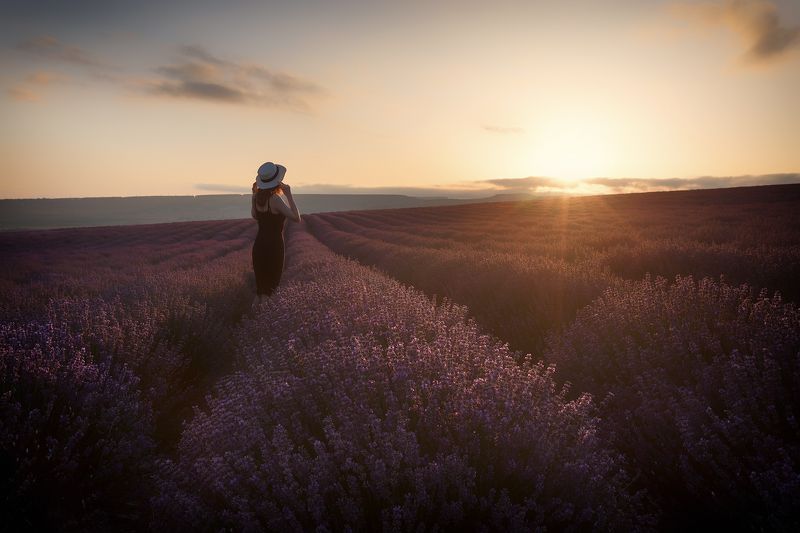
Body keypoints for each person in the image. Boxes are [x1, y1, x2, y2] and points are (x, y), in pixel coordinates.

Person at [251, 161, 301, 305]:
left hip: (259, 245)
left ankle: (251, 324)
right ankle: (263, 325)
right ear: (277, 181)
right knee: (270, 290)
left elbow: (255, 216)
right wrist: (289, 194)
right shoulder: (275, 199)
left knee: (260, 289)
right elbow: (296, 218)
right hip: (274, 246)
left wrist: (254, 194)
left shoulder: (255, 197)